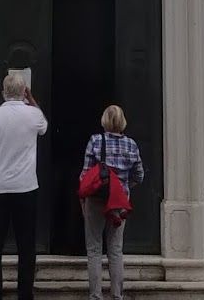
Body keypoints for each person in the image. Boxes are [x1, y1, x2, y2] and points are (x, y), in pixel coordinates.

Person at [0, 71, 48, 300]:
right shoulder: (34, 115)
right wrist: (31, 99)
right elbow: (44, 126)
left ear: (3, 93)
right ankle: (24, 294)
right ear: (24, 92)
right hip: (26, 188)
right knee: (26, 247)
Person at [82, 104, 143, 300]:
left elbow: (85, 174)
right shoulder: (131, 145)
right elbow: (139, 175)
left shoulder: (95, 141)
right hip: (119, 203)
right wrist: (123, 187)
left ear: (104, 121)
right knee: (115, 249)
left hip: (96, 199)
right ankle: (117, 295)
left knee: (94, 248)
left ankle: (96, 295)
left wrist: (84, 199)